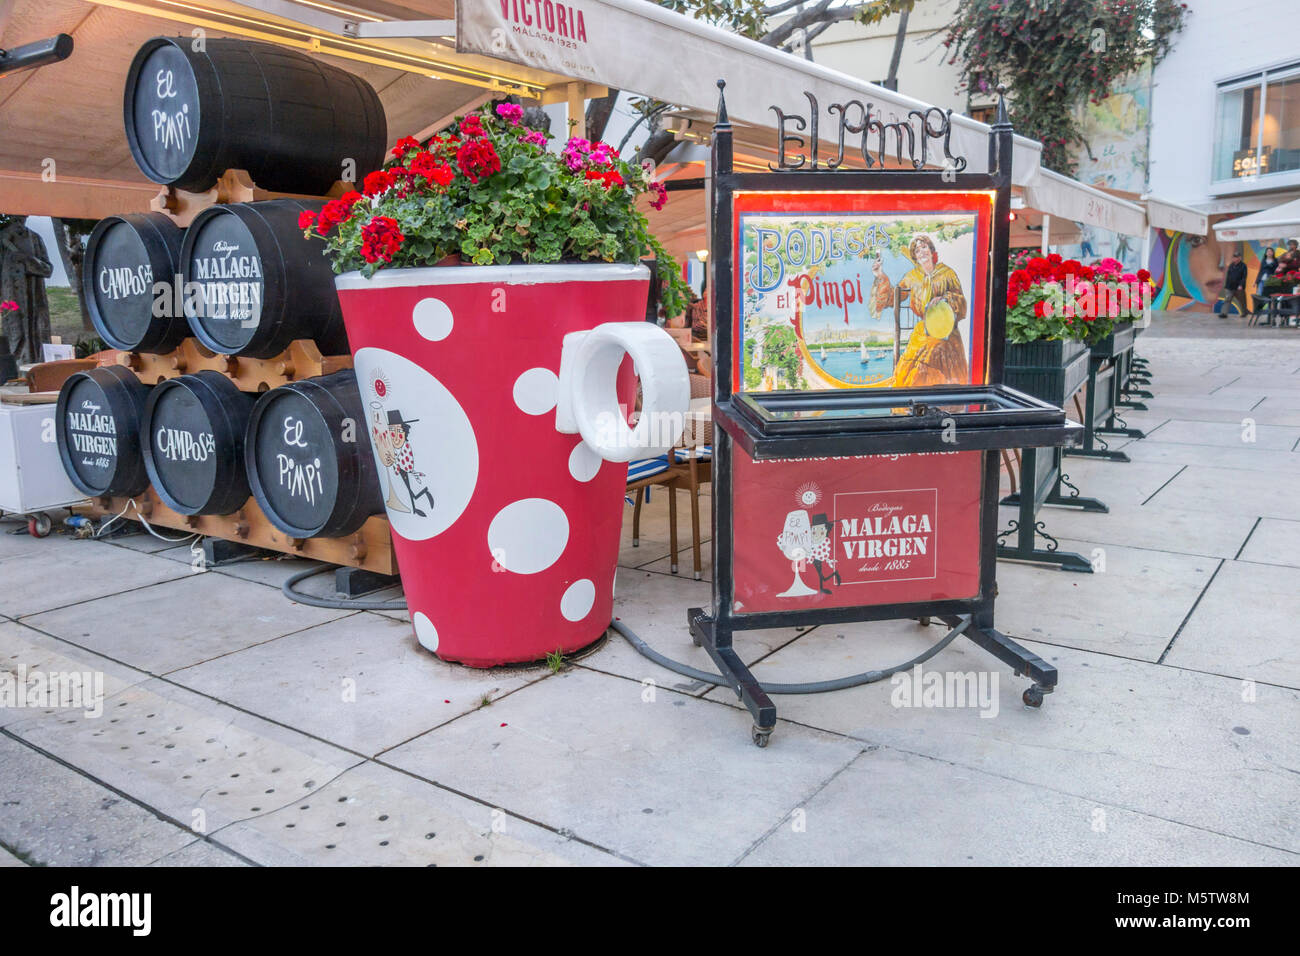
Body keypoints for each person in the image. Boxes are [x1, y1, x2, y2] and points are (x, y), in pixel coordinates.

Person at [892, 234, 969, 387]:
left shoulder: (947, 273)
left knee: (935, 348)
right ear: (914, 255)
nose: (922, 252)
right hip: (924, 329)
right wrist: (880, 275)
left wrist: (945, 299)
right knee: (918, 353)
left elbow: (962, 302)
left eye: (924, 247)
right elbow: (892, 297)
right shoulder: (911, 276)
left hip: (947, 330)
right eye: (918, 250)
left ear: (931, 249)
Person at [0, 215, 53, 365]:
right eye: (14, 215)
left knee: (37, 338)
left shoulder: (36, 239)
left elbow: (47, 269)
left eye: (22, 215)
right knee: (15, 337)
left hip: (35, 302)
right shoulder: (2, 240)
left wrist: (27, 259)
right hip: (11, 303)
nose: (18, 219)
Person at [1222, 249, 1248, 318]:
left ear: (1240, 258)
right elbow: (1228, 276)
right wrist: (1226, 286)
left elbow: (1244, 277)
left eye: (1237, 257)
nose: (1235, 258)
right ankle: (1224, 313)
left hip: (1238, 287)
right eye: (1234, 257)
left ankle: (1244, 313)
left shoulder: (1243, 266)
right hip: (1230, 287)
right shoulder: (1231, 265)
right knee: (1227, 299)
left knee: (1242, 301)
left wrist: (1241, 285)